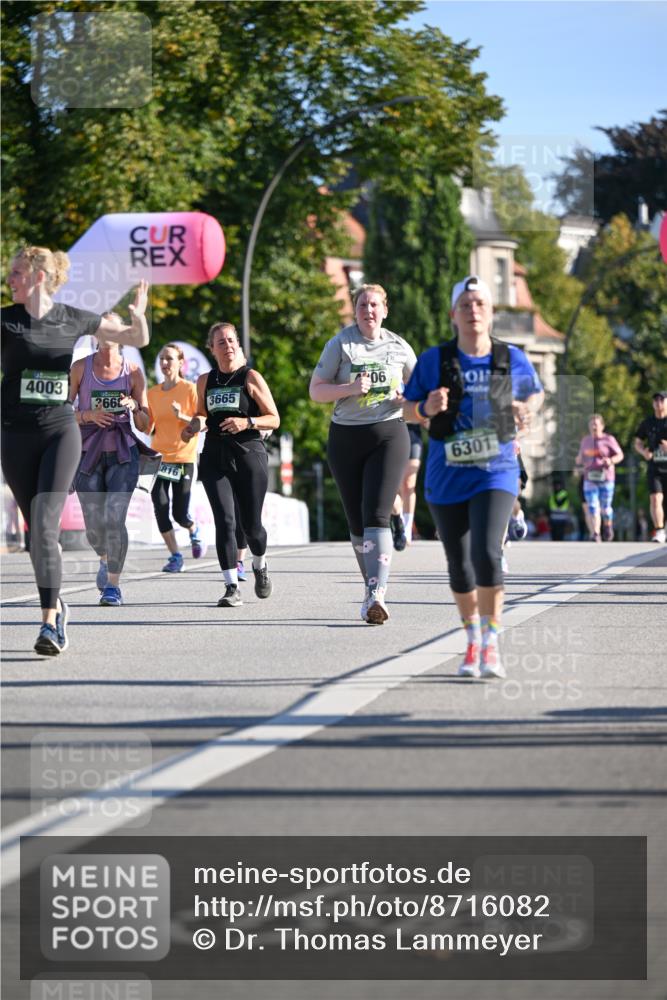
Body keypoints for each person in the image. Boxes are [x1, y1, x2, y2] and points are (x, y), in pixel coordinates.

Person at [1, 245, 149, 654]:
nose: (9, 279)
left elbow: (135, 338)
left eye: (15, 272)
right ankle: (58, 605)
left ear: (38, 276)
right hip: (14, 434)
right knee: (37, 534)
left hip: (59, 432)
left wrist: (138, 316)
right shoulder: (6, 321)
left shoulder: (72, 318)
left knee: (46, 525)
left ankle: (49, 622)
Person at [403, 274, 543, 678]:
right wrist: (426, 408)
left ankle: (492, 642)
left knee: (487, 552)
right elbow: (406, 410)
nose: (473, 310)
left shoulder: (509, 357)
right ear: (453, 315)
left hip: (495, 470)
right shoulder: (435, 360)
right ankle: (472, 639)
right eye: (465, 305)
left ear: (491, 311)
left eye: (480, 303)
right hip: (447, 474)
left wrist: (524, 408)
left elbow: (534, 392)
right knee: (460, 566)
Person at [309, 283, 417, 624]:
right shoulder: (341, 344)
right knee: (356, 521)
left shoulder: (400, 347)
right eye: (361, 306)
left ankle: (377, 594)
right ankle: (370, 588)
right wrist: (349, 389)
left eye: (374, 305)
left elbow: (420, 397)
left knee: (375, 515)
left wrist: (408, 401)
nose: (368, 311)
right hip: (346, 437)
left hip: (389, 433)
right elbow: (316, 391)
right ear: (354, 311)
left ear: (385, 310)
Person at [181, 322, 279, 606]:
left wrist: (246, 421)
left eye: (231, 340)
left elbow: (274, 418)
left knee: (251, 526)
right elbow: (201, 413)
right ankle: (231, 586)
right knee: (224, 520)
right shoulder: (204, 380)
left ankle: (259, 564)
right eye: (221, 342)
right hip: (215, 455)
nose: (228, 346)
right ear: (212, 349)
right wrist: (194, 425)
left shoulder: (250, 377)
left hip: (249, 453)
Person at [69, 323, 153, 605]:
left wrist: (134, 408)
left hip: (122, 453)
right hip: (86, 453)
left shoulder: (133, 372)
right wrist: (87, 416)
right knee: (94, 527)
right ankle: (104, 558)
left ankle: (113, 586)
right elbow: (60, 413)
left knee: (114, 519)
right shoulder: (80, 368)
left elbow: (146, 424)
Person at [146, 343, 206, 573]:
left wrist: (181, 415)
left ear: (181, 363)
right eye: (162, 358)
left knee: (180, 514)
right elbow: (148, 426)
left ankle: (193, 529)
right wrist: (134, 410)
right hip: (160, 459)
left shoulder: (190, 390)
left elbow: (200, 423)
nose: (164, 363)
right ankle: (175, 556)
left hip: (183, 458)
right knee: (160, 508)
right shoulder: (152, 393)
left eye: (169, 358)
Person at [574, 414, 624, 542]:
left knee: (605, 507)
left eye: (596, 424)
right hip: (589, 478)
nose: (593, 426)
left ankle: (607, 525)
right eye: (591, 424)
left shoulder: (609, 439)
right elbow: (580, 458)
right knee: (592, 505)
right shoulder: (585, 441)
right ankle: (596, 533)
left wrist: (611, 460)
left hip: (606, 478)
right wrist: (579, 461)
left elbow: (620, 455)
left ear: (602, 426)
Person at [633, 390, 667, 543]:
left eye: (662, 400)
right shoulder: (648, 422)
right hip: (655, 467)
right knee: (655, 499)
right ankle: (659, 531)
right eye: (656, 400)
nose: (658, 403)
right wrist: (643, 452)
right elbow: (638, 442)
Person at [389, 422, 424, 551]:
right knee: (396, 482)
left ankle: (408, 529)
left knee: (409, 483)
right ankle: (399, 521)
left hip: (412, 432)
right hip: (392, 429)